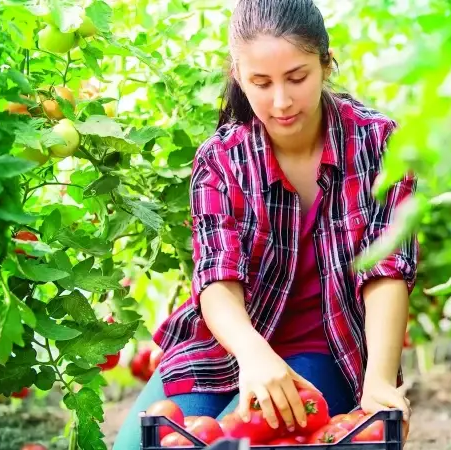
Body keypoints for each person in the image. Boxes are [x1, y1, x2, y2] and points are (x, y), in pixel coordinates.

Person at [111, 0, 417, 448]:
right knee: (145, 443)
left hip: (325, 346)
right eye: (261, 82)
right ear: (237, 75)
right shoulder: (220, 159)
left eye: (297, 77)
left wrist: (379, 383)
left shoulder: (377, 142)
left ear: (326, 64)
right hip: (227, 345)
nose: (281, 101)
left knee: (252, 441)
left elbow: (386, 268)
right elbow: (217, 278)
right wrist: (254, 353)